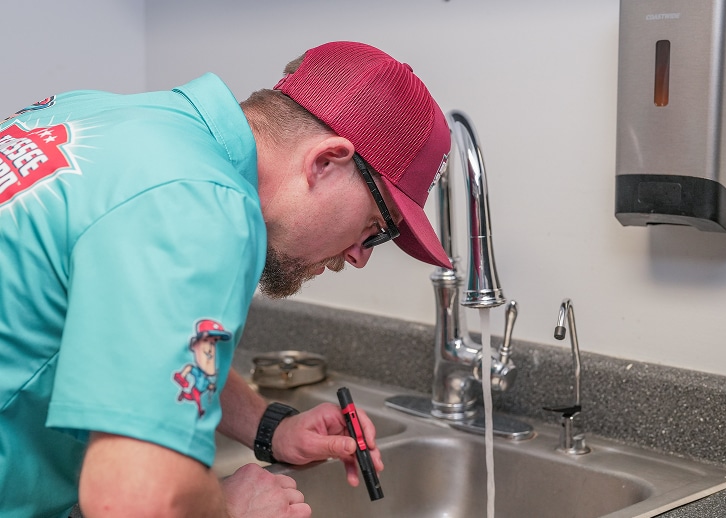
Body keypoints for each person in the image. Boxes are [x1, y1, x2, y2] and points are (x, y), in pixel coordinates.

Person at [0, 41, 452, 517]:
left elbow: (141, 343)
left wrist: (270, 427)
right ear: (326, 161)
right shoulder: (204, 209)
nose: (359, 257)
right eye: (375, 228)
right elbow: (133, 501)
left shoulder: (104, 119)